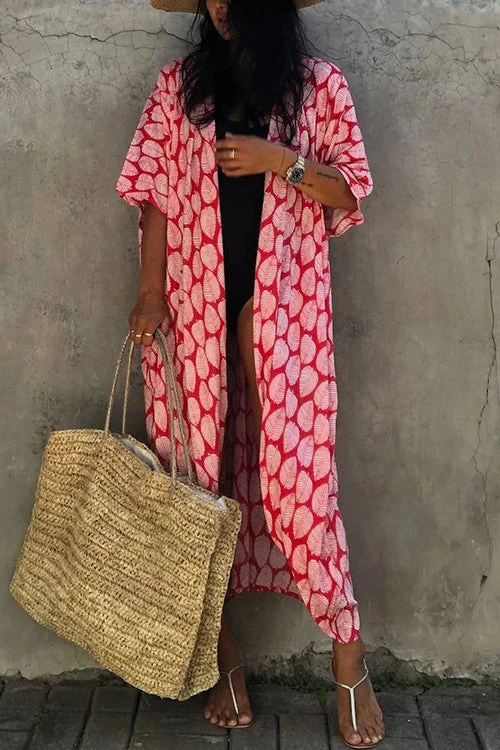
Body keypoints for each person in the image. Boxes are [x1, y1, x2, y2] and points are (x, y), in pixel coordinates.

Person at [115, 0, 384, 746]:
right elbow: (155, 195)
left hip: (284, 298)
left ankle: (349, 655)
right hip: (189, 298)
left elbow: (350, 190)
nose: (219, 3)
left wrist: (280, 161)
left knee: (297, 476)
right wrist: (148, 289)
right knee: (197, 477)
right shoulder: (179, 86)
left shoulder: (320, 86)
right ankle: (222, 653)